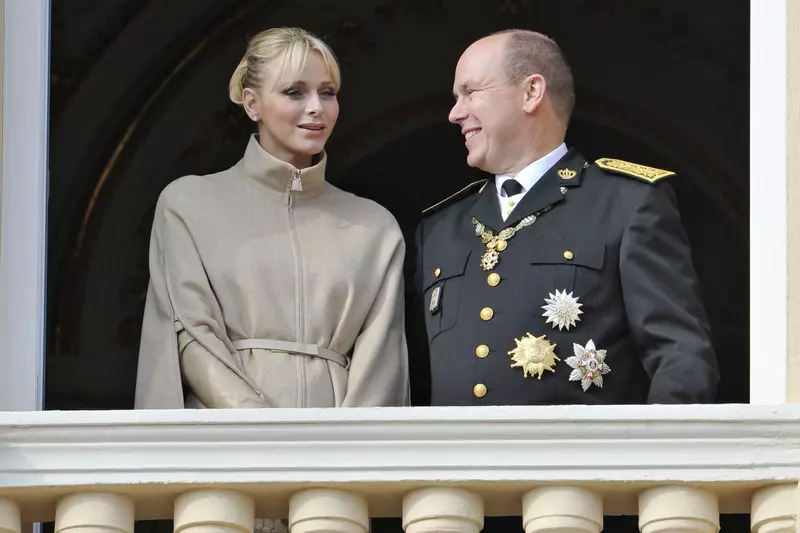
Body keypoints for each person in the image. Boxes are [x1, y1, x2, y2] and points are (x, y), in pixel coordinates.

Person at [408, 29, 719, 407]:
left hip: (583, 465)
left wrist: (648, 463)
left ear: (531, 92)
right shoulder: (439, 228)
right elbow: (414, 376)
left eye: (470, 92)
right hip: (455, 465)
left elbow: (680, 358)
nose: (455, 113)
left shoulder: (627, 202)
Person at [135, 27, 409, 411]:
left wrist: (346, 456)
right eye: (294, 92)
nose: (316, 107)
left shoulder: (376, 226)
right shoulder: (188, 204)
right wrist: (260, 430)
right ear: (252, 103)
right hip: (226, 448)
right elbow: (190, 335)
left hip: (336, 454)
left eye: (327, 92)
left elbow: (382, 361)